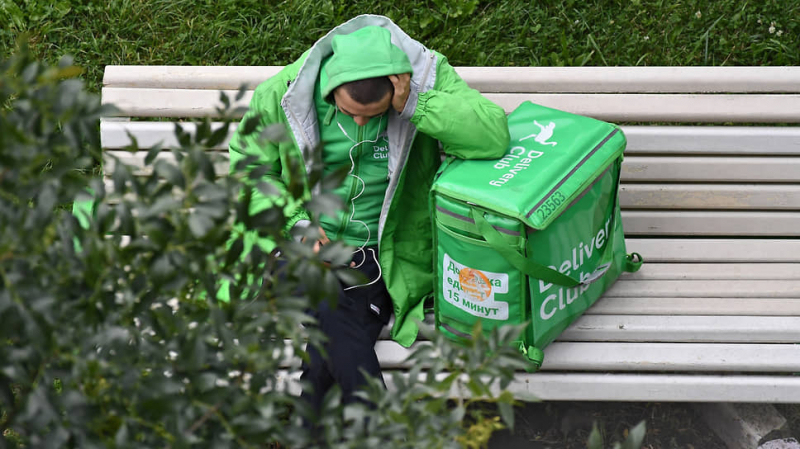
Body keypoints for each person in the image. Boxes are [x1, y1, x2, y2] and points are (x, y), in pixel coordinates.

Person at [228, 14, 510, 415]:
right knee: (342, 307)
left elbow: (493, 137)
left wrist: (415, 104)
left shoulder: (427, 80)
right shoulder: (283, 95)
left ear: (397, 86)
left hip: (384, 252)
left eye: (374, 114)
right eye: (350, 112)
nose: (360, 121)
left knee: (337, 308)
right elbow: (250, 171)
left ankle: (304, 430)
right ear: (329, 87)